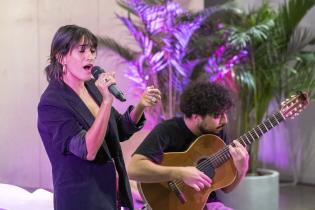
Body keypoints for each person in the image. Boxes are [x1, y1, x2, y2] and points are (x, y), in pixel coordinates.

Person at [37, 25, 161, 210]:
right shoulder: (52, 103)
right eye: (82, 50)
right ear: (61, 56)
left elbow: (117, 130)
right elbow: (88, 150)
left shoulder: (91, 87)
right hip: (82, 199)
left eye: (92, 50)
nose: (90, 56)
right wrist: (106, 101)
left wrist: (141, 105)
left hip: (109, 193)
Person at [127, 82, 249, 210]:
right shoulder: (167, 130)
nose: (225, 121)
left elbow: (226, 188)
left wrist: (242, 168)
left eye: (225, 114)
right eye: (217, 116)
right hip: (169, 204)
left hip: (207, 204)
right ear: (196, 117)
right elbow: (133, 169)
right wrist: (180, 173)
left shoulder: (217, 132)